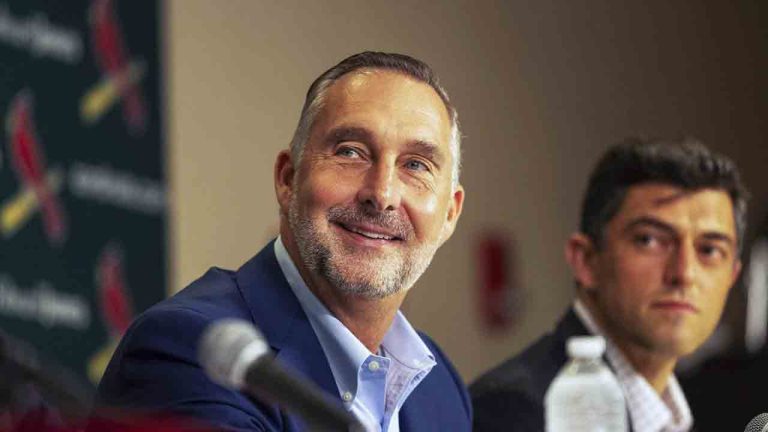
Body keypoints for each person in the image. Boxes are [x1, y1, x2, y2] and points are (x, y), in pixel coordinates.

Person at [92, 52, 469, 431]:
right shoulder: (188, 351)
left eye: (416, 165)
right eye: (350, 152)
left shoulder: (441, 390)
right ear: (288, 180)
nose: (382, 193)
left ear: (450, 214)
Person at [471, 138, 748, 432]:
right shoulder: (514, 411)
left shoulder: (707, 410)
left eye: (709, 250)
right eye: (649, 240)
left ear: (731, 277)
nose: (684, 273)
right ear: (586, 260)